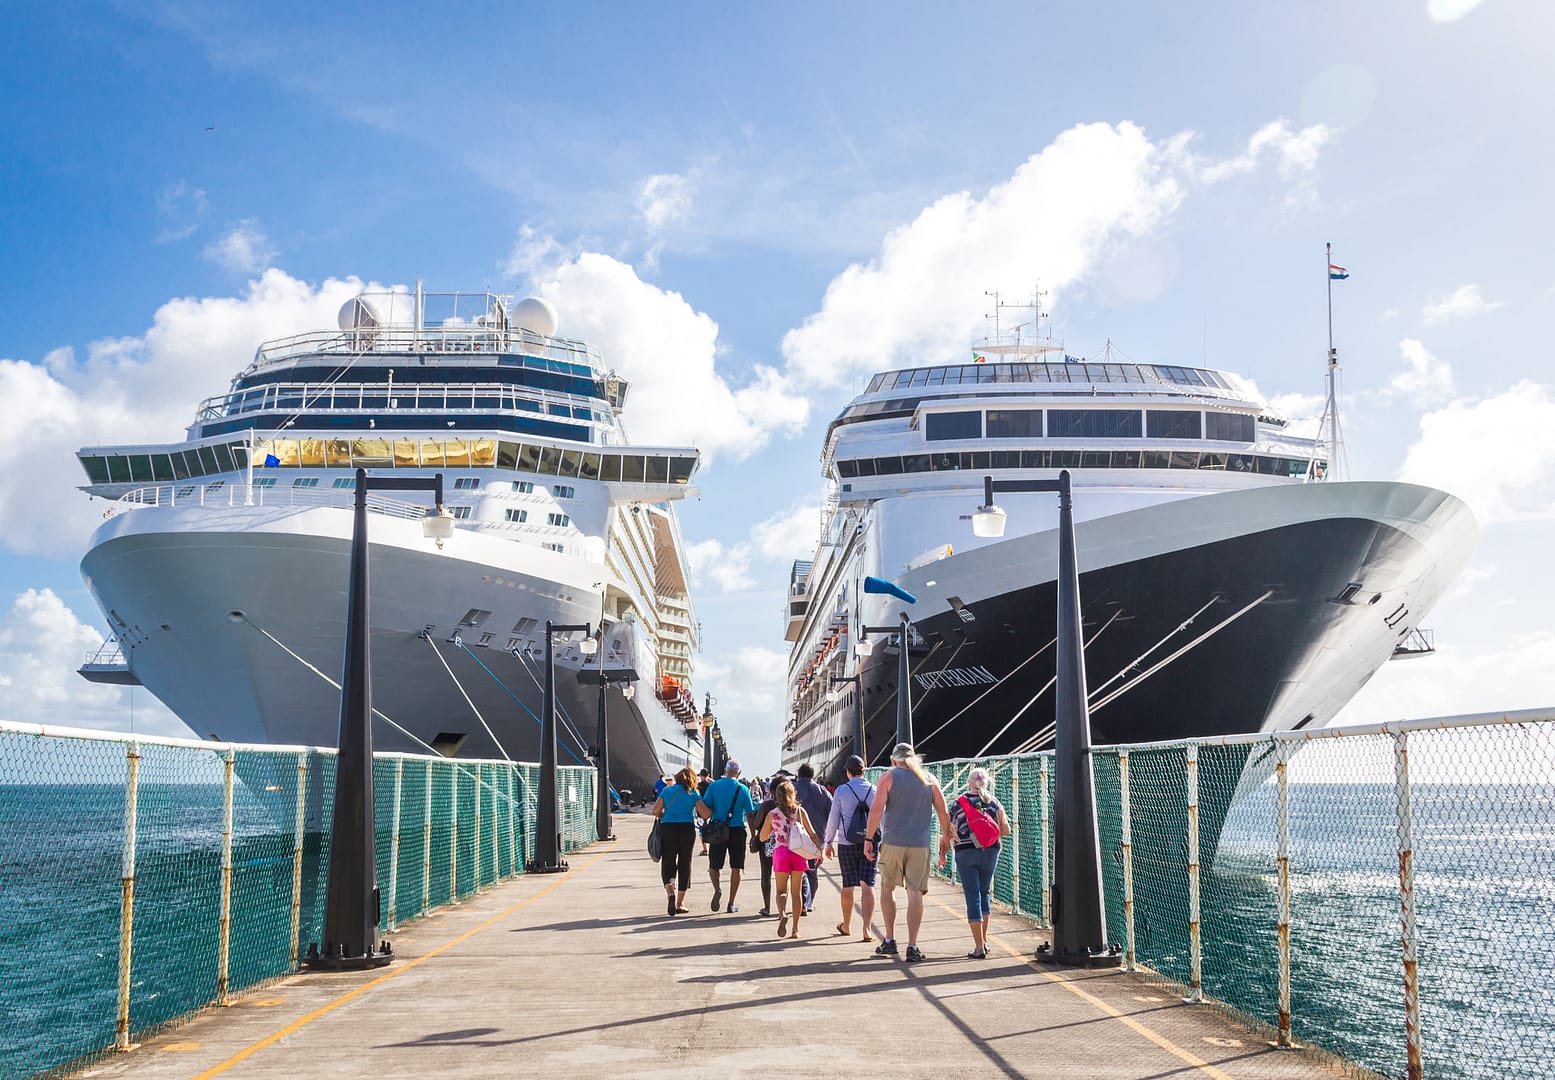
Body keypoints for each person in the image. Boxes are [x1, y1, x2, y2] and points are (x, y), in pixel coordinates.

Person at [862, 742, 951, 962]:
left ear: (894, 760)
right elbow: (943, 811)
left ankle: (890, 940)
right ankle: (913, 945)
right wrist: (945, 838)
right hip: (920, 844)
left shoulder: (888, 778)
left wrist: (868, 838)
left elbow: (876, 810)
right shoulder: (929, 780)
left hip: (892, 842)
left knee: (887, 888)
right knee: (915, 893)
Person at [949, 767, 1012, 958]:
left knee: (972, 894)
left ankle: (978, 947)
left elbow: (951, 829)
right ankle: (984, 941)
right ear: (986, 783)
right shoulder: (994, 802)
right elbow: (1006, 830)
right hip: (990, 852)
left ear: (969, 782)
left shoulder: (958, 803)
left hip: (966, 853)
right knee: (984, 893)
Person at [757, 777, 822, 940]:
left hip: (781, 852)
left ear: (776, 797)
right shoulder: (799, 811)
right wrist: (819, 851)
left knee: (781, 891)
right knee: (796, 892)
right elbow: (812, 833)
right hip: (798, 852)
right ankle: (795, 930)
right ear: (794, 794)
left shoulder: (773, 814)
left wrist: (773, 831)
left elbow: (763, 837)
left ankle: (782, 913)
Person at [823, 754, 877, 941]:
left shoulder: (841, 791)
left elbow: (833, 818)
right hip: (871, 842)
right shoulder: (874, 790)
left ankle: (846, 925)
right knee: (868, 884)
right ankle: (867, 929)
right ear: (864, 770)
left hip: (847, 843)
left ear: (847, 772)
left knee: (848, 885)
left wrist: (828, 842)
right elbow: (883, 818)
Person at [651, 766, 710, 916]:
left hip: (668, 828)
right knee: (685, 863)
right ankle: (680, 903)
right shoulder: (693, 793)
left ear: (677, 777)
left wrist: (666, 815)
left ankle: (670, 891)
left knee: (668, 862)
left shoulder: (667, 790)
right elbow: (704, 814)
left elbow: (655, 811)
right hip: (686, 829)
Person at [703, 759, 757, 913]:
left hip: (718, 830)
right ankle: (731, 903)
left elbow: (706, 808)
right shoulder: (743, 789)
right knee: (737, 867)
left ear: (726, 770)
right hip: (737, 830)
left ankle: (717, 889)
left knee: (714, 865)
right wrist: (754, 835)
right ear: (739, 773)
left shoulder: (713, 786)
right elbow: (750, 813)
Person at [792, 763, 833, 913]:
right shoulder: (823, 791)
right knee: (812, 872)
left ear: (799, 774)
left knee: (799, 871)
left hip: (795, 838)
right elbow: (832, 813)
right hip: (818, 838)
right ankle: (809, 902)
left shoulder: (791, 788)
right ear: (812, 775)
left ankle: (802, 902)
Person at [747, 769, 786, 916]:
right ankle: (782, 909)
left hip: (767, 843)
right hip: (785, 845)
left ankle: (767, 907)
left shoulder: (767, 805)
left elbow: (757, 824)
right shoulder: (791, 806)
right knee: (784, 876)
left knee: (766, 875)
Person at [696, 769, 713, 855]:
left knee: (701, 830)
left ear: (701, 776)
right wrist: (709, 779)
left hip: (700, 810)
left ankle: (705, 849)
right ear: (708, 775)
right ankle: (712, 846)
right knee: (711, 828)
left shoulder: (698, 786)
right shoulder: (711, 785)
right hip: (710, 810)